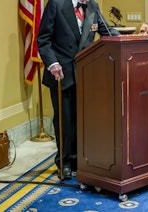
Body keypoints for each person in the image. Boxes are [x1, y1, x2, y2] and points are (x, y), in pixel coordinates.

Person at [37, 0, 120, 180]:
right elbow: (43, 39)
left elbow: (107, 31)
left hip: (86, 73)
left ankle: (79, 160)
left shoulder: (93, 6)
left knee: (84, 121)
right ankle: (64, 161)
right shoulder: (57, 4)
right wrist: (52, 62)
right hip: (61, 74)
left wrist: (124, 40)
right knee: (65, 122)